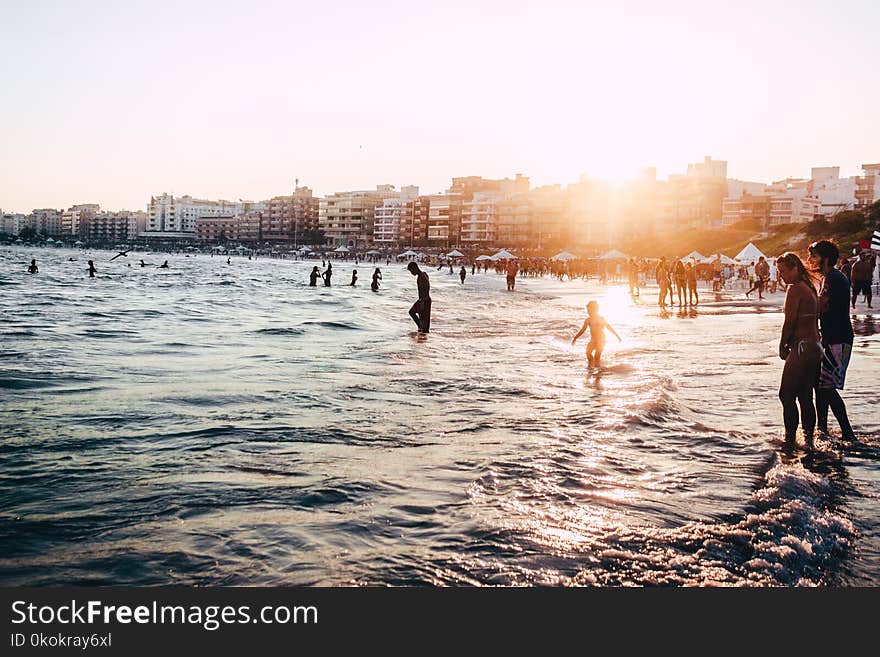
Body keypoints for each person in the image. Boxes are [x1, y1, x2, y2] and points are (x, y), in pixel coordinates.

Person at [808, 240, 855, 440]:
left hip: (837, 339)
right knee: (821, 387)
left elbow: (821, 307)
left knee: (826, 388)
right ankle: (823, 430)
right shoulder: (833, 277)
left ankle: (848, 434)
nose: (810, 260)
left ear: (825, 259)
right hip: (834, 338)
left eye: (814, 256)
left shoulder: (833, 279)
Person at [775, 253, 822, 448]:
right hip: (815, 347)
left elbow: (790, 321)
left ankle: (790, 440)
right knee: (805, 396)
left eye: (784, 271)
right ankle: (809, 441)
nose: (782, 276)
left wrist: (782, 344)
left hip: (801, 347)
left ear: (795, 268)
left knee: (786, 395)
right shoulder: (809, 287)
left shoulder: (795, 289)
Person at [571, 300, 621, 367]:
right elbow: (582, 330)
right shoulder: (588, 320)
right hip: (593, 340)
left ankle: (598, 373)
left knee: (597, 357)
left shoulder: (601, 319)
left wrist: (617, 336)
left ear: (596, 310)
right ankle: (591, 367)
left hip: (601, 340)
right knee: (588, 353)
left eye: (590, 310)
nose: (589, 312)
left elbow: (609, 327)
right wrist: (575, 338)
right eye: (588, 310)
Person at [407, 261, 431, 333]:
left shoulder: (421, 277)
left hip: (424, 300)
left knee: (414, 313)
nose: (411, 273)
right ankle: (421, 329)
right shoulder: (424, 274)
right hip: (425, 299)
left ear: (415, 268)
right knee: (423, 321)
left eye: (411, 271)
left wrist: (422, 302)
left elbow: (425, 289)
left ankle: (421, 327)